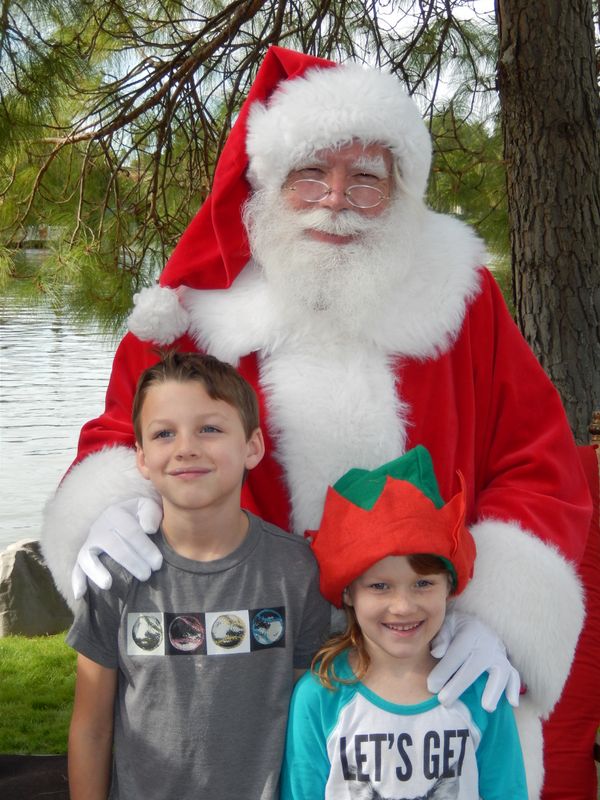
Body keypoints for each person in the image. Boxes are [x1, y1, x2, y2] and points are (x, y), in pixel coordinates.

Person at [41, 47, 594, 798]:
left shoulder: (460, 298)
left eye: (366, 178)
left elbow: (539, 459)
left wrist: (497, 612)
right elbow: (125, 426)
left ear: (401, 189)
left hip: (420, 656)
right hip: (239, 674)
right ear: (271, 180)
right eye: (312, 173)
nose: (336, 198)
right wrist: (108, 511)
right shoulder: (199, 305)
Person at [66, 351, 330, 800]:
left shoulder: (297, 570)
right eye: (165, 433)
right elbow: (91, 727)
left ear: (252, 446)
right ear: (143, 458)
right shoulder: (115, 573)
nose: (186, 446)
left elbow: (311, 723)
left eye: (209, 428)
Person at [281, 446, 528, 799]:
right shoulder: (320, 695)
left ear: (449, 588)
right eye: (380, 586)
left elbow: (507, 790)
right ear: (349, 593)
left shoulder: (478, 689)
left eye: (423, 584)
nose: (402, 606)